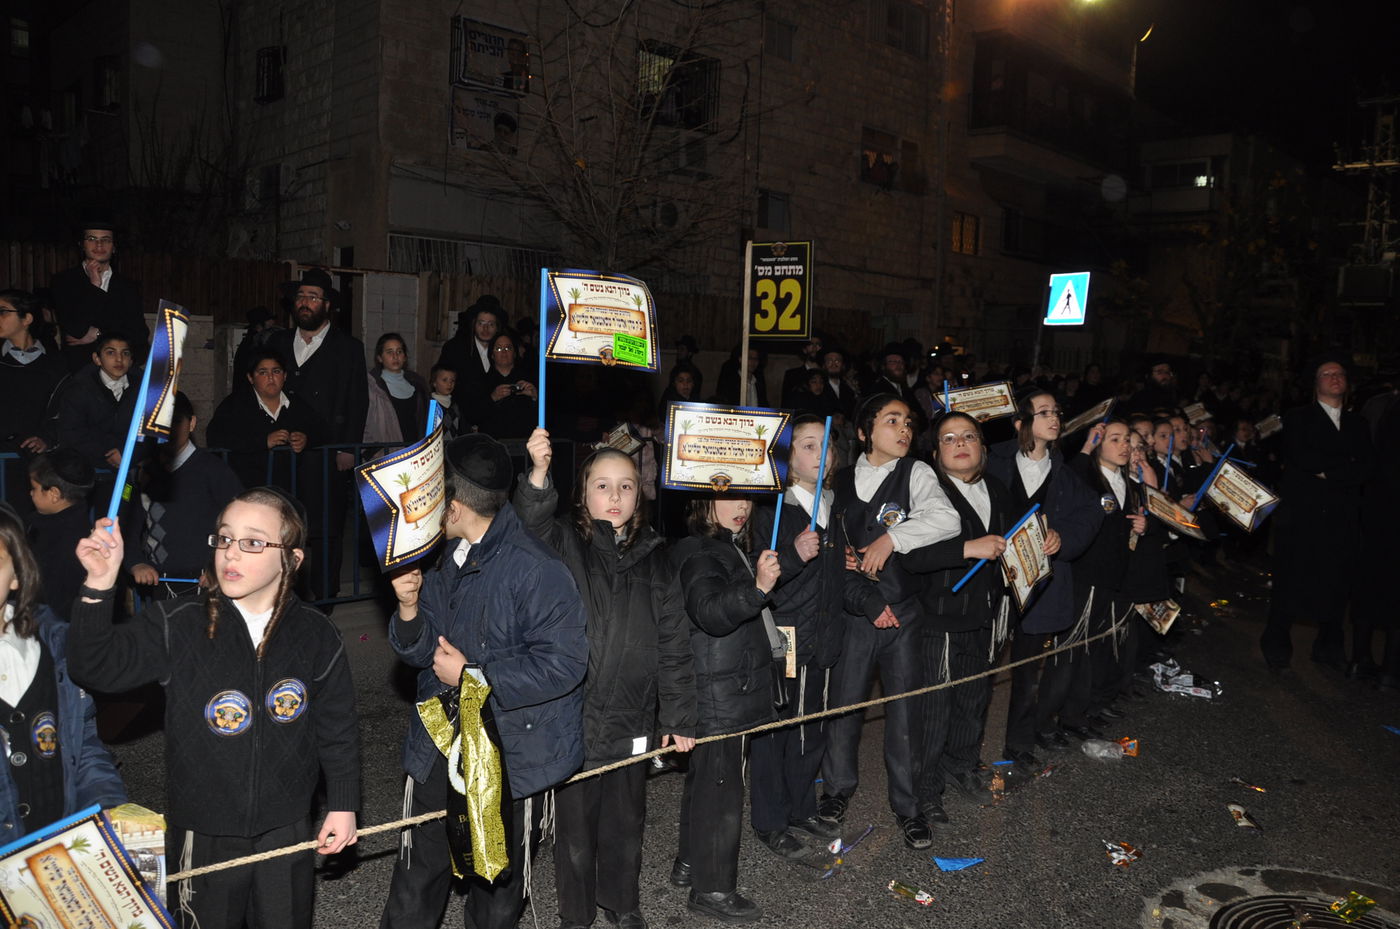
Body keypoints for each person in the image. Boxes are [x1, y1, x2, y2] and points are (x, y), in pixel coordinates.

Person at [69, 487, 361, 929]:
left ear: (293, 560)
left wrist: (343, 803)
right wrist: (99, 586)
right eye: (225, 539)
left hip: (286, 823)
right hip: (203, 827)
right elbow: (95, 667)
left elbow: (337, 726)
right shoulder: (178, 622)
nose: (232, 553)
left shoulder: (317, 634)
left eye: (253, 542)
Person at [380, 433, 587, 929]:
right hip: (440, 744)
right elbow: (420, 652)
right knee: (415, 882)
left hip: (510, 755)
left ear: (452, 506)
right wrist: (409, 610)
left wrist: (474, 676)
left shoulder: (537, 569)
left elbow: (565, 665)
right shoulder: (439, 557)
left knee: (494, 895)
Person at [517, 429, 696, 929]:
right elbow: (528, 523)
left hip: (632, 717)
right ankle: (576, 914)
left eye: (626, 486)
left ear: (640, 495)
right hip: (575, 716)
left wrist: (679, 714)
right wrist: (536, 473)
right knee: (575, 830)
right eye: (602, 485)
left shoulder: (659, 559)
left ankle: (622, 901)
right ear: (581, 492)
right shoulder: (565, 543)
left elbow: (675, 646)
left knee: (625, 822)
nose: (614, 496)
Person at [819, 393, 961, 851]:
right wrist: (828, 552)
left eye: (908, 422)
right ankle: (836, 791)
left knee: (905, 712)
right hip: (851, 613)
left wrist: (892, 539)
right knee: (844, 707)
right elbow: (817, 529)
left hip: (901, 612)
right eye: (891, 421)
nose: (904, 430)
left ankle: (909, 804)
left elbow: (947, 519)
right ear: (863, 432)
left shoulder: (916, 472)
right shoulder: (838, 480)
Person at [905, 411, 1032, 827]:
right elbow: (908, 555)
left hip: (986, 615)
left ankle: (961, 767)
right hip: (938, 617)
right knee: (934, 709)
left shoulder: (999, 488)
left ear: (982, 447)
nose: (960, 444)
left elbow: (1015, 540)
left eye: (968, 436)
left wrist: (1042, 539)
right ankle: (924, 792)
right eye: (948, 438)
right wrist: (967, 548)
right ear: (935, 451)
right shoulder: (926, 492)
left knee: (973, 701)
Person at [669, 493, 780, 922]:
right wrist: (757, 589)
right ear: (703, 503)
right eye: (728, 498)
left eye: (746, 498)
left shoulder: (723, 545)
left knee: (705, 780)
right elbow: (711, 613)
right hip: (719, 690)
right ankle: (712, 890)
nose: (742, 507)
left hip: (724, 684)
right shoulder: (702, 551)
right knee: (721, 789)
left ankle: (690, 863)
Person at [747, 415, 847, 857]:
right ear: (788, 460)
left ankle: (802, 805)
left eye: (825, 444)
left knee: (812, 726)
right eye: (808, 445)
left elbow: (841, 577)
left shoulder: (834, 507)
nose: (819, 452)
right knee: (777, 730)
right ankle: (770, 820)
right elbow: (762, 574)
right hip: (784, 635)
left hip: (823, 636)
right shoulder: (774, 511)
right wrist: (792, 554)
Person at [985, 392, 1101, 768]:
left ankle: (1018, 744)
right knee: (980, 669)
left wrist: (1063, 537)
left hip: (1038, 585)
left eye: (1057, 412)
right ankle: (962, 751)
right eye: (1044, 412)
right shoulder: (993, 462)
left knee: (1027, 671)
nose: (1054, 418)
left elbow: (1090, 514)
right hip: (991, 581)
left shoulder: (1065, 473)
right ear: (1021, 422)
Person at [0, 502, 128, 837]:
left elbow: (81, 747)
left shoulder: (53, 644)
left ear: (16, 575)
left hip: (56, 851)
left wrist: (109, 809)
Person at [1261, 356, 1375, 673]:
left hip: (1343, 516)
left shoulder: (1358, 423)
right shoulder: (1298, 417)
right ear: (1316, 383)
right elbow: (1305, 458)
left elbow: (1366, 466)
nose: (1335, 378)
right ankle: (1276, 642)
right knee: (1291, 579)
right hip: (1303, 515)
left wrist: (1331, 473)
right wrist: (1343, 470)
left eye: (1339, 374)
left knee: (1337, 582)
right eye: (1327, 373)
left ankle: (1329, 646)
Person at [1039, 421, 1147, 744]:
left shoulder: (1131, 483)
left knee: (1092, 652)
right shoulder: (1086, 475)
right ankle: (1044, 722)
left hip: (1112, 579)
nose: (1124, 445)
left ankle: (1076, 715)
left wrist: (1143, 526)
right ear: (1099, 444)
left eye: (1127, 440)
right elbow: (1069, 475)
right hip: (1085, 577)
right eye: (1114, 439)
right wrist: (1087, 445)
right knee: (1068, 654)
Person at [268, 269, 369, 601]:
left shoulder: (349, 348)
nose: (305, 303)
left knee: (325, 528)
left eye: (312, 297)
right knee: (282, 526)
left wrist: (348, 449)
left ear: (327, 305)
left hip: (327, 452)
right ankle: (281, 593)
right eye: (300, 297)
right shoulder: (278, 342)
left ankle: (324, 596)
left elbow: (357, 400)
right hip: (284, 451)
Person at [122, 392, 243, 600]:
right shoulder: (139, 473)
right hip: (157, 580)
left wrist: (219, 566)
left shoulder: (214, 471)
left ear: (192, 423)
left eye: (176, 421)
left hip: (207, 580)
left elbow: (241, 525)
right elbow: (127, 525)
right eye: (161, 422)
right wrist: (135, 562)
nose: (168, 429)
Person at [207, 349, 318, 489]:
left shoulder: (296, 404)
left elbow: (322, 430)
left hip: (288, 489)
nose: (271, 378)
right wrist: (263, 441)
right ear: (251, 378)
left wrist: (306, 439)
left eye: (276, 371)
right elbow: (215, 438)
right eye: (263, 372)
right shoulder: (235, 405)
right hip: (246, 488)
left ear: (284, 376)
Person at [48, 220, 148, 371]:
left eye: (105, 240)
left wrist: (99, 333)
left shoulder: (128, 286)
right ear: (82, 245)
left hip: (121, 372)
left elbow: (140, 334)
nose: (99, 245)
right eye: (92, 239)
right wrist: (94, 286)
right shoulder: (64, 281)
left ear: (114, 247)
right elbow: (76, 329)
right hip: (80, 371)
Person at [23, 449, 96, 621]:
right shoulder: (47, 523)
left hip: (54, 626)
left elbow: (55, 597)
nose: (30, 493)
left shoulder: (65, 540)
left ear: (54, 494)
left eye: (34, 488)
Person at [52, 331, 137, 471]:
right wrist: (107, 453)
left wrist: (128, 453)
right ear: (97, 359)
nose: (119, 359)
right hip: (87, 467)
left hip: (130, 465)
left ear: (131, 360)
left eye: (125, 353)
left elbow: (149, 433)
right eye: (111, 353)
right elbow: (71, 433)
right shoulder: (79, 389)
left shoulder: (143, 389)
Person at [0, 289, 67, 465]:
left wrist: (47, 439)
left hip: (39, 462)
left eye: (3, 312)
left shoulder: (57, 364)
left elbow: (65, 412)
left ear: (27, 319)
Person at [435, 295, 507, 418]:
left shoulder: (504, 350)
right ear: (474, 324)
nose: (485, 329)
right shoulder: (455, 349)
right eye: (481, 323)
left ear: (497, 327)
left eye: (491, 324)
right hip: (461, 419)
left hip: (495, 421)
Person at [364, 333, 430, 447]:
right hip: (387, 454)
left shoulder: (419, 384)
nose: (395, 356)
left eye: (399, 351)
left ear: (404, 357)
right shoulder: (372, 386)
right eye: (389, 352)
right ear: (379, 357)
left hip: (416, 452)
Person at [472, 330, 537, 439]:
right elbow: (474, 416)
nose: (504, 352)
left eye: (508, 348)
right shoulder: (482, 381)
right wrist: (492, 398)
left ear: (515, 353)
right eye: (498, 348)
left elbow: (546, 416)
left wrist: (535, 397)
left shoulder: (529, 379)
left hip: (523, 445)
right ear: (492, 355)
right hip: (493, 446)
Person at [779, 333, 825, 409]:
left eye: (818, 344)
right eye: (810, 344)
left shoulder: (826, 374)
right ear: (804, 349)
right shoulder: (792, 375)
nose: (814, 348)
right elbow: (785, 404)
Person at [428, 363, 461, 438]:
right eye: (444, 380)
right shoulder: (430, 404)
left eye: (452, 380)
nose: (449, 384)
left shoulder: (455, 405)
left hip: (453, 447)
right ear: (434, 383)